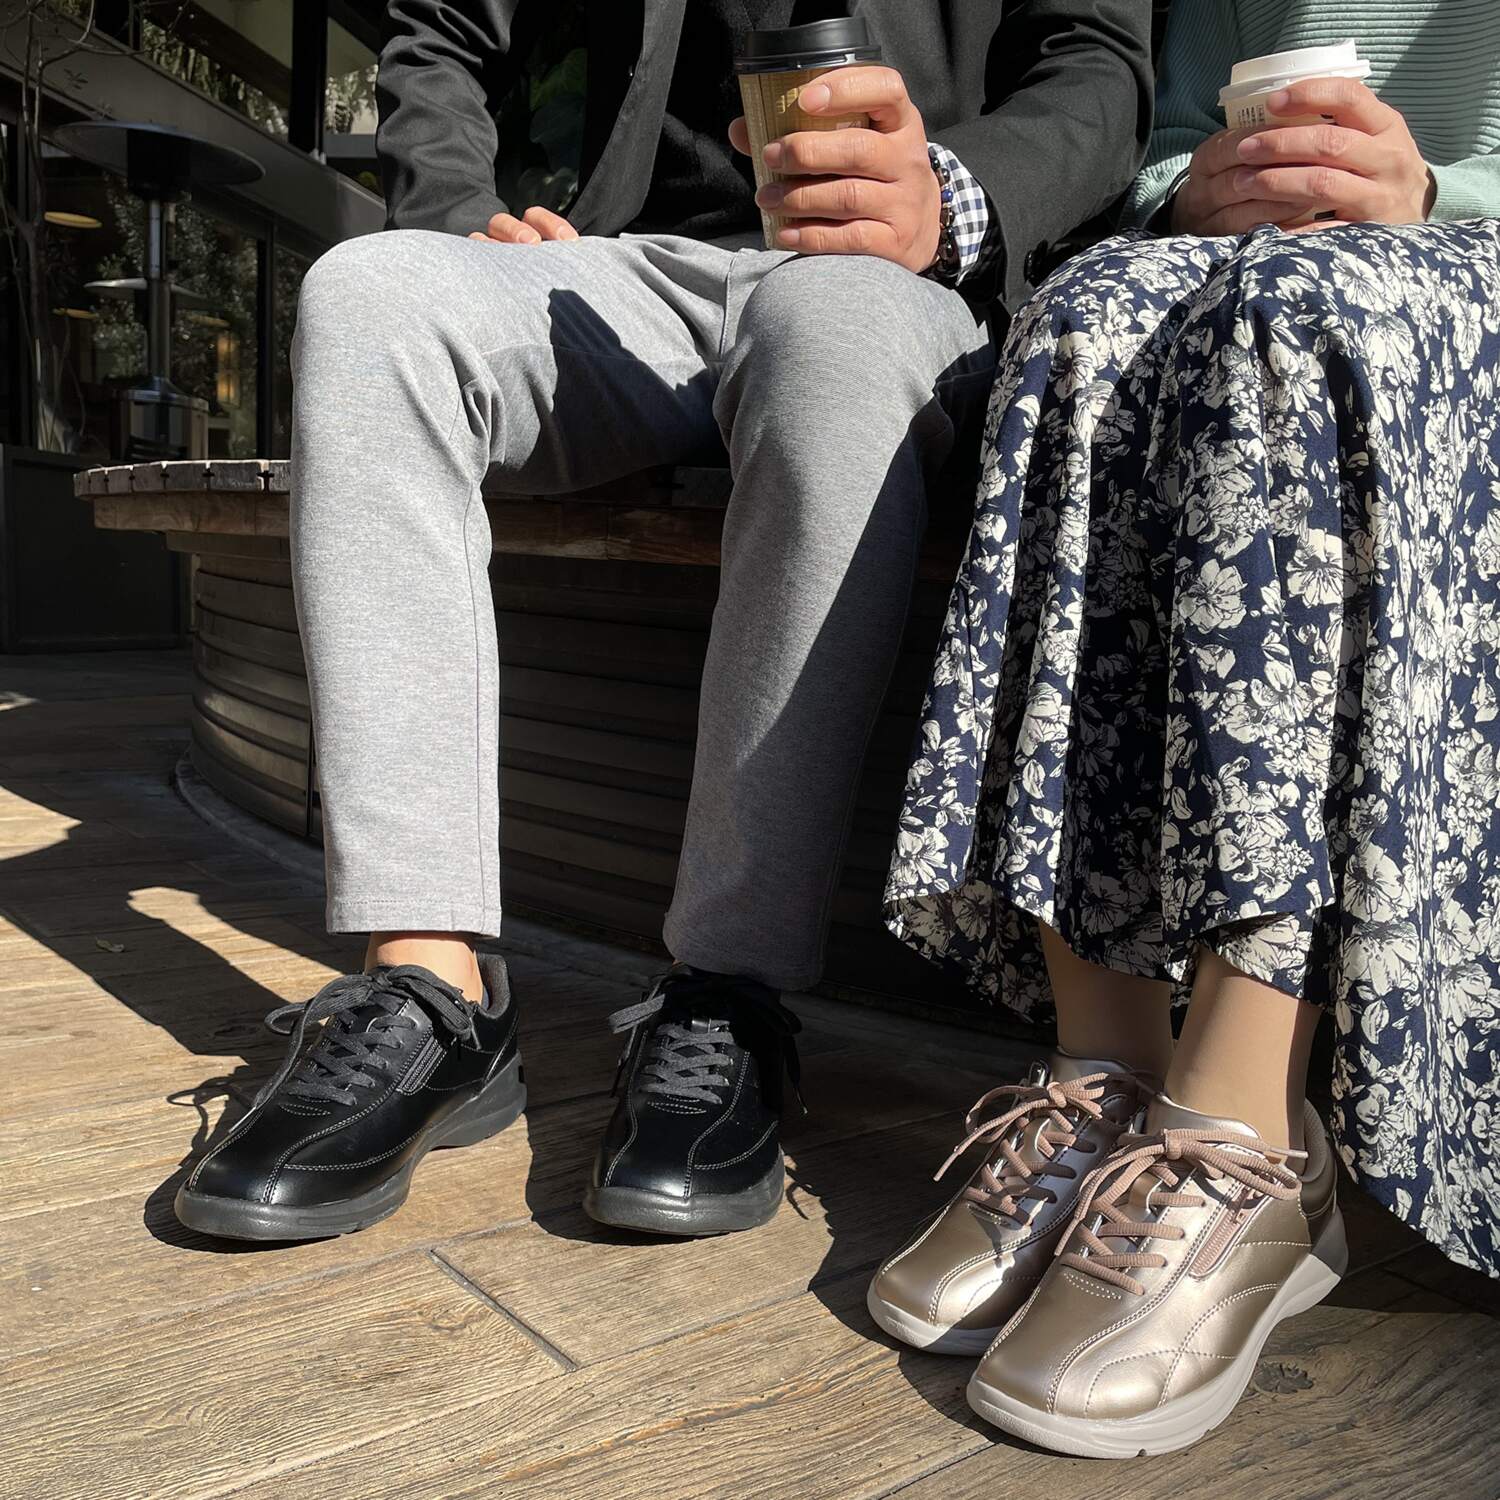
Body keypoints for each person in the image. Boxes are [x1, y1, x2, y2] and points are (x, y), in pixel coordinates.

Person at [171, 1, 1155, 1243]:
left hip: (898, 268)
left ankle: (726, 997)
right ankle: (431, 985)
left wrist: (952, 198)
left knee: (835, 332)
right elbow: (442, 27)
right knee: (372, 294)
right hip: (629, 264)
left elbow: (1099, 63)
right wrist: (458, 205)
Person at [872, 0, 1500, 1459]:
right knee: (1087, 310)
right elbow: (1163, 138)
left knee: (1295, 316)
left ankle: (1244, 1131)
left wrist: (1434, 189)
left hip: (1451, 259)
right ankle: (1112, 1074)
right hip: (1269, 260)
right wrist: (1189, 189)